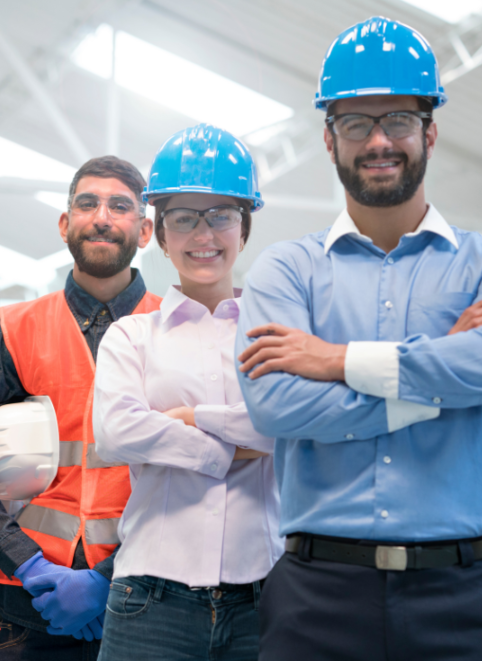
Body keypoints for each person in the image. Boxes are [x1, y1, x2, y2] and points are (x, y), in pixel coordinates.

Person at [235, 17, 482, 661]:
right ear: (329, 140)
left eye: (398, 120)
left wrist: (335, 359)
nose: (379, 141)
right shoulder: (286, 270)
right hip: (316, 601)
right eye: (356, 124)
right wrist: (443, 374)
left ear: (429, 131)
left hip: (464, 599)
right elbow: (278, 407)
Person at [0, 156, 161, 661]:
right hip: (33, 603)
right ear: (64, 224)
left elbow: (199, 475)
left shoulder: (174, 326)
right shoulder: (16, 329)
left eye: (119, 206)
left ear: (143, 231)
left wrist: (107, 578)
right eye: (87, 203)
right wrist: (29, 564)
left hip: (151, 600)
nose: (101, 216)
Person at [93, 124, 281, 661]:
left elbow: (286, 422)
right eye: (184, 218)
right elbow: (116, 432)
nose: (204, 235)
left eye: (221, 215)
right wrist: (231, 448)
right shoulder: (132, 334)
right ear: (161, 233)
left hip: (263, 600)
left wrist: (191, 418)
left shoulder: (276, 333)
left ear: (244, 228)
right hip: (150, 601)